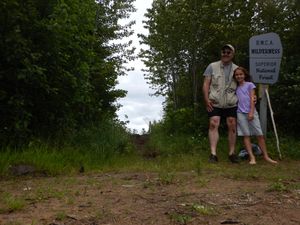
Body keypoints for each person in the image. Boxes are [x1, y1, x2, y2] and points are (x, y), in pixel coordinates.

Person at [202, 44, 239, 163]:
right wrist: (206, 99)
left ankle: (232, 153)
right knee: (213, 124)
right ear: (221, 53)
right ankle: (213, 154)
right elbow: (206, 84)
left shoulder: (237, 69)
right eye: (224, 51)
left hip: (231, 102)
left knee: (232, 125)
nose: (225, 54)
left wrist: (251, 96)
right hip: (215, 101)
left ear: (232, 54)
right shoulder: (212, 66)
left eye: (228, 52)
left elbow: (243, 85)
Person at [233, 67, 278, 164]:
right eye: (237, 75)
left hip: (251, 112)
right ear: (235, 77)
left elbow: (252, 98)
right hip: (240, 113)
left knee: (260, 135)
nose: (239, 76)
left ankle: (266, 156)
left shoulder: (250, 85)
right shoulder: (235, 87)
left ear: (244, 75)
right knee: (246, 135)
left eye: (241, 74)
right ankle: (252, 157)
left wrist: (251, 112)